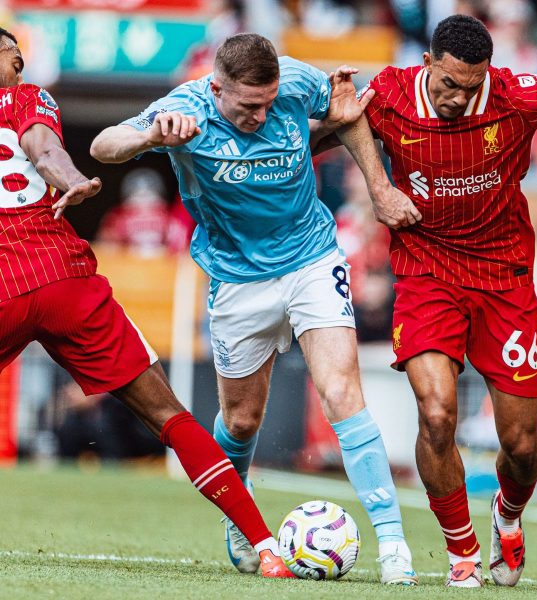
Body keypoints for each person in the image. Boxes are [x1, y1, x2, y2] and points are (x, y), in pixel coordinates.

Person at [89, 33, 418, 585]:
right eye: (248, 106)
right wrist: (150, 134)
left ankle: (393, 543)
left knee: (342, 393)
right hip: (238, 280)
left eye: (268, 103)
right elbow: (104, 145)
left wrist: (380, 190)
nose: (261, 115)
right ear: (217, 88)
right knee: (242, 419)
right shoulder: (184, 108)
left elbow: (347, 115)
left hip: (312, 256)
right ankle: (242, 523)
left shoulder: (293, 79)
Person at [312, 13, 537, 588]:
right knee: (437, 411)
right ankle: (461, 550)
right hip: (427, 275)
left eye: (470, 87)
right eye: (447, 84)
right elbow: (326, 131)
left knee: (521, 445)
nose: (456, 98)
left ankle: (508, 516)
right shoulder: (389, 92)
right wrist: (378, 185)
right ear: (428, 66)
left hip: (504, 278)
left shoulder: (514, 97)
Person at [0, 26, 293, 578]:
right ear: (12, 55)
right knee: (170, 416)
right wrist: (72, 180)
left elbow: (47, 154)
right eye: (11, 49)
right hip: (61, 277)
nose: (17, 56)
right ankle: (265, 545)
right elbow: (44, 149)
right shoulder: (27, 95)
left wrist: (66, 175)